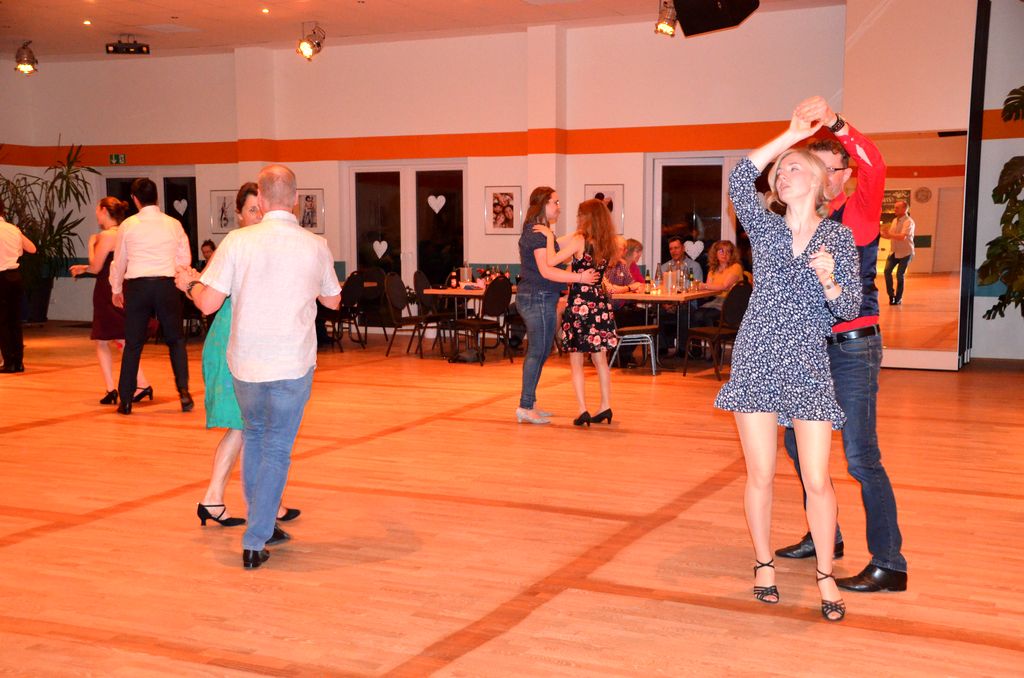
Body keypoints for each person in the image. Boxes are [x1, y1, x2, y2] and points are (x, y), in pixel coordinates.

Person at [714, 101, 862, 622]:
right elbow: (740, 179)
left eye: (794, 167)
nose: (782, 174)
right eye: (779, 171)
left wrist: (828, 278)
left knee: (817, 479)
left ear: (820, 181)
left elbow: (847, 308)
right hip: (756, 357)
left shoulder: (838, 237)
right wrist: (790, 135)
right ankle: (763, 564)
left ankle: (825, 573)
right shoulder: (767, 230)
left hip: (807, 363)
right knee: (760, 474)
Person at [774, 96, 909, 596]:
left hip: (853, 349)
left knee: (859, 456)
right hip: (813, 348)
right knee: (796, 443)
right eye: (817, 167)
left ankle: (890, 562)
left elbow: (877, 163)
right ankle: (825, 533)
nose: (826, 177)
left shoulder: (861, 211)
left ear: (846, 175)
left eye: (834, 169)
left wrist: (836, 123)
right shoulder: (805, 220)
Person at [177, 164, 341, 569]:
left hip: (246, 365)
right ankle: (256, 538)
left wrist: (190, 283)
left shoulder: (237, 242)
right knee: (277, 448)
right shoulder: (316, 245)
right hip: (293, 364)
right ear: (296, 200)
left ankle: (261, 527)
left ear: (262, 200)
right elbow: (333, 301)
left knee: (255, 438)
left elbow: (207, 304)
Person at [196, 182, 300, 529]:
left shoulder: (266, 244)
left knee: (250, 426)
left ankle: (228, 500)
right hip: (231, 343)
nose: (259, 215)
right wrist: (190, 283)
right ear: (239, 215)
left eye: (262, 208)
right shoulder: (236, 245)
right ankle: (235, 500)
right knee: (246, 425)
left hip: (253, 345)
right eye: (252, 210)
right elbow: (207, 297)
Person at [108, 177, 193, 414]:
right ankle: (184, 392)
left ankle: (126, 401)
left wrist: (116, 289)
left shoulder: (128, 225)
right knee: (175, 340)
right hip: (166, 285)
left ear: (135, 199)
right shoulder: (173, 224)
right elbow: (184, 258)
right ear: (156, 197)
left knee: (133, 344)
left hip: (138, 287)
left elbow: (119, 261)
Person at [515, 187, 598, 425]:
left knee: (542, 351)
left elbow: (553, 263)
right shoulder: (536, 234)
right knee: (537, 351)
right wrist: (580, 278)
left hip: (543, 296)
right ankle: (525, 406)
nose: (559, 207)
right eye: (555, 202)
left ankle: (530, 403)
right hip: (537, 297)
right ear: (543, 204)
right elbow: (546, 271)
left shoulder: (543, 233)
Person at [535, 200, 619, 426]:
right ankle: (605, 405)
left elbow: (551, 260)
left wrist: (549, 236)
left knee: (576, 359)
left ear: (586, 217)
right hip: (599, 303)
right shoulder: (606, 242)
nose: (577, 219)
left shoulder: (580, 240)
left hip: (581, 303)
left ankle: (582, 409)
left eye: (580, 215)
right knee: (600, 359)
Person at [69, 197, 151, 404]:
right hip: (124, 285)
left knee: (104, 339)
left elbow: (96, 267)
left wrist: (91, 245)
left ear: (104, 211)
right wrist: (83, 268)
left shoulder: (106, 236)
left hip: (107, 289)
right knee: (120, 337)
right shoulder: (126, 231)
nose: (96, 214)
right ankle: (140, 384)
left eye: (97, 210)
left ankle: (112, 388)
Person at [0, 197, 36, 373]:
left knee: (3, 322)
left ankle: (9, 362)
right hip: (15, 277)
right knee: (14, 321)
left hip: (1, 277)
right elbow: (32, 249)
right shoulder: (13, 229)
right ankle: (18, 362)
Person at [604, 237, 644, 367]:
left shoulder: (622, 265)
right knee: (633, 318)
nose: (625, 251)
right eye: (622, 248)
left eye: (625, 249)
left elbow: (633, 283)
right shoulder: (603, 264)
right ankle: (620, 356)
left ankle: (623, 355)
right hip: (605, 308)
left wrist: (636, 287)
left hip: (619, 306)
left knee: (644, 316)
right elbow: (610, 290)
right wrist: (628, 288)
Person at [692, 240, 745, 327]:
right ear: (715, 253)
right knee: (696, 315)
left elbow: (725, 286)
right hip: (716, 301)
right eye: (721, 251)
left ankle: (713, 336)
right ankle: (701, 336)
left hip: (731, 304)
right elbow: (708, 291)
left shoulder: (735, 267)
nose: (724, 254)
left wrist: (704, 286)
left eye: (728, 251)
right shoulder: (712, 270)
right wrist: (698, 288)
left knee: (706, 316)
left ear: (732, 254)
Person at [881, 200, 915, 305]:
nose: (894, 209)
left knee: (900, 275)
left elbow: (902, 237)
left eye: (897, 208)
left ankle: (898, 298)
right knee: (887, 271)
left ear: (905, 209)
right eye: (894, 207)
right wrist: (880, 234)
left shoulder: (909, 222)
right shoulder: (895, 220)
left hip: (906, 253)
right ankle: (891, 295)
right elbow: (890, 236)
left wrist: (889, 234)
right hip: (894, 252)